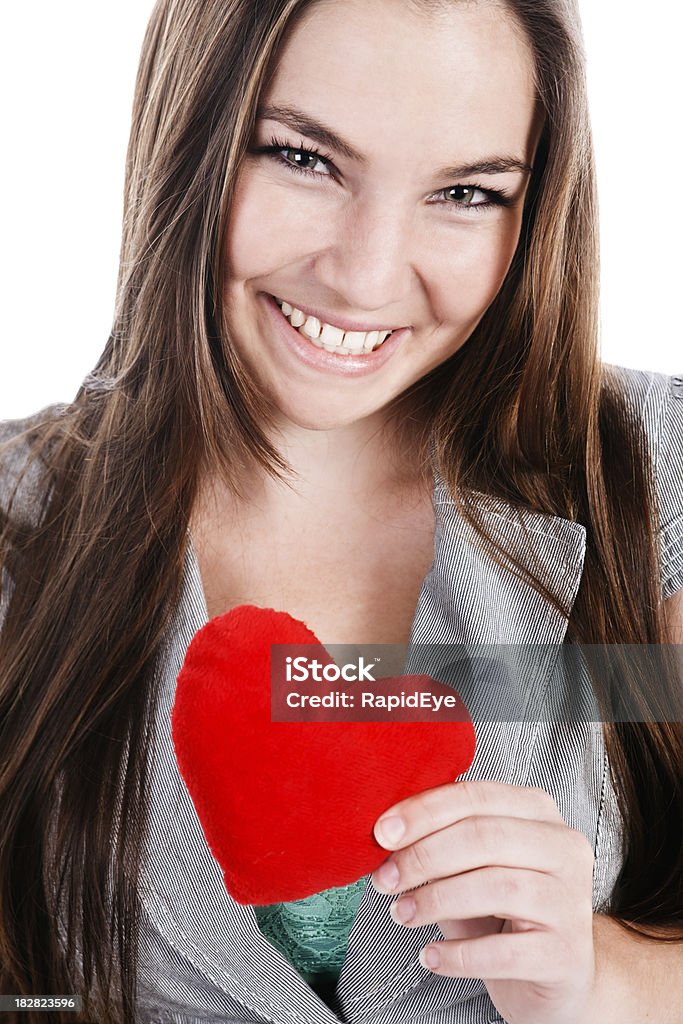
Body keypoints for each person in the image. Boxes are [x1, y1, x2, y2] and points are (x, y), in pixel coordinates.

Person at [1, 0, 681, 1022]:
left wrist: (603, 974)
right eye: (303, 158)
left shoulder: (650, 474)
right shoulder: (19, 529)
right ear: (190, 132)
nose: (364, 274)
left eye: (463, 191)